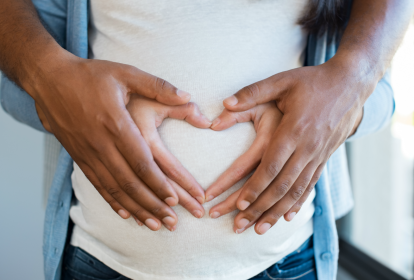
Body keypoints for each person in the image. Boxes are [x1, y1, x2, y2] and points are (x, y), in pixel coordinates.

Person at [0, 0, 413, 279]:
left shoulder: (371, 28)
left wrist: (341, 109)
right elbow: (21, 81)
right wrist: (75, 102)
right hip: (104, 260)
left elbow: (381, 97)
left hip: (286, 262)